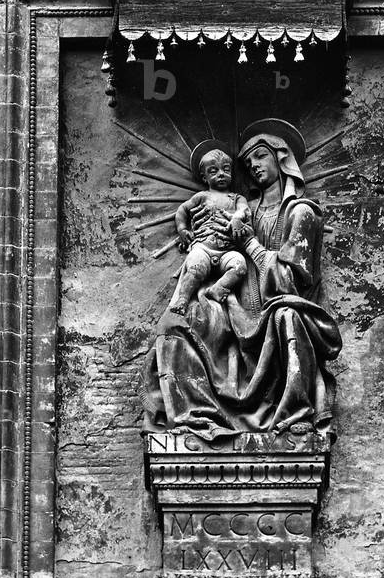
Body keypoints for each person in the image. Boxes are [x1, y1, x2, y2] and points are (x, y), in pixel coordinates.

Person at [143, 120, 342, 439]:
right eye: (248, 163)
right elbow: (216, 255)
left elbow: (288, 282)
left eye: (260, 157)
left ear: (281, 158)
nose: (253, 167)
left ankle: (295, 413)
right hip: (235, 304)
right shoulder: (242, 209)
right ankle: (195, 417)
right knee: (175, 324)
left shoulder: (302, 213)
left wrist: (248, 242)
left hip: (278, 307)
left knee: (287, 317)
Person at [168, 142, 251, 315]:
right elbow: (182, 210)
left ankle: (218, 288)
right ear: (205, 178)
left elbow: (244, 210)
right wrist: (183, 230)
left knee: (240, 266)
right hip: (203, 247)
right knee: (195, 268)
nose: (221, 174)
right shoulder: (202, 196)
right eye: (214, 171)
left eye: (226, 169)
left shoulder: (237, 198)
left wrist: (237, 218)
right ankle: (183, 300)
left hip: (227, 250)